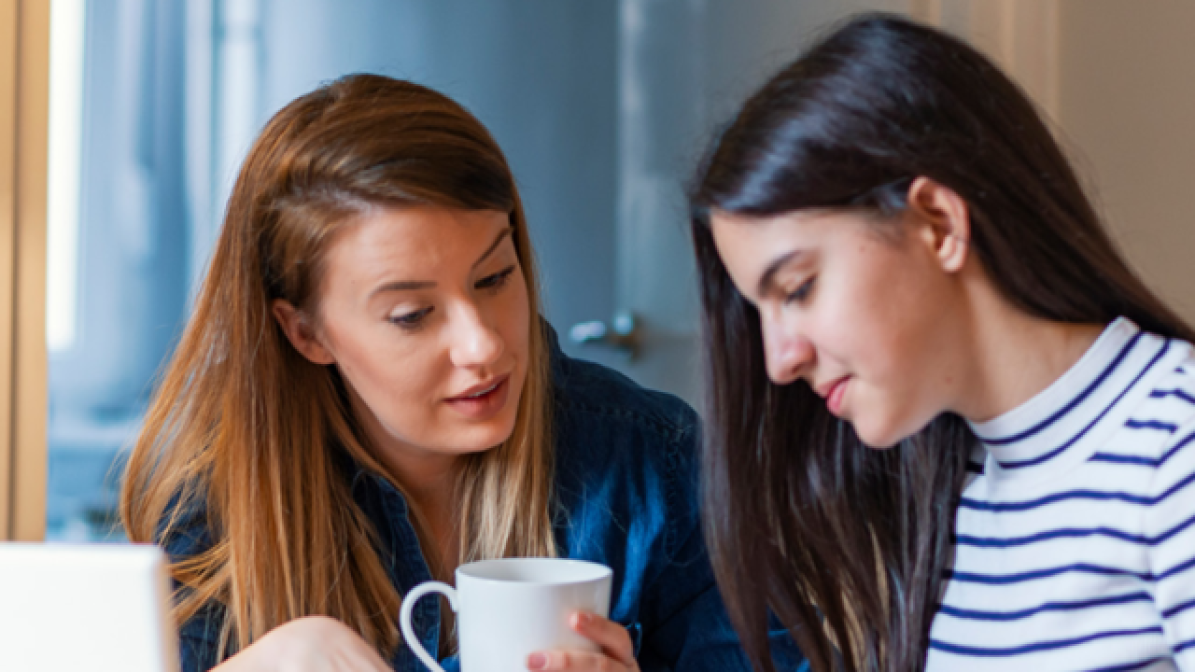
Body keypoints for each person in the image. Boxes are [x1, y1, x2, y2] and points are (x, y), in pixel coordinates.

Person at [120, 74, 804, 672]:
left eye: (495, 277)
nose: (482, 345)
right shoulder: (212, 507)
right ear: (304, 332)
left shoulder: (656, 464)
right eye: (413, 314)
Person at [689, 12, 1195, 672]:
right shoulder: (948, 483)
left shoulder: (1173, 444)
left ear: (936, 222)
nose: (779, 361)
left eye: (798, 288)